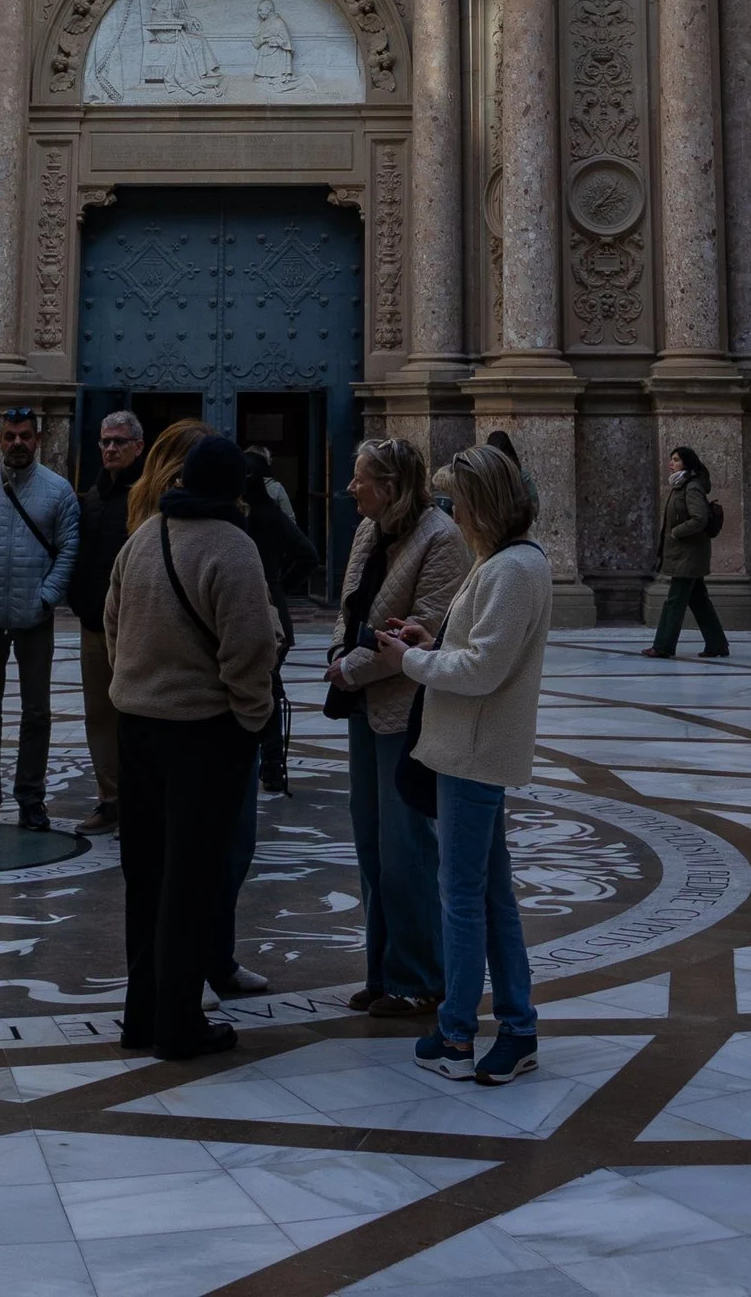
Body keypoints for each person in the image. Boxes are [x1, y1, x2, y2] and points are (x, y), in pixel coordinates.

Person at [101, 434, 278, 1062]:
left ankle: (139, 1017)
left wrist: (137, 684)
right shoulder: (234, 548)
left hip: (137, 729)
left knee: (145, 876)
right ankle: (178, 1025)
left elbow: (112, 623)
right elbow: (251, 648)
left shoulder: (143, 537)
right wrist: (250, 721)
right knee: (192, 879)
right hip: (204, 733)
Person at [387, 439, 551, 1088]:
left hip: (474, 752)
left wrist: (411, 662)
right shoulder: (506, 563)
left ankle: (458, 1033)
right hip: (473, 747)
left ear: (483, 505)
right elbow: (482, 646)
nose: (451, 514)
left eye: (457, 502)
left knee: (460, 897)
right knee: (489, 894)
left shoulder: (511, 569)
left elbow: (483, 669)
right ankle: (517, 1025)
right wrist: (434, 640)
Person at [328, 437, 466, 1019]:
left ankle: (420, 977)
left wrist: (349, 668)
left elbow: (423, 627)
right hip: (363, 704)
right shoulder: (368, 529)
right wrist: (343, 651)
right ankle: (382, 971)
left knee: (406, 843)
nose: (351, 487)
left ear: (390, 486)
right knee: (370, 841)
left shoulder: (441, 539)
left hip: (408, 706)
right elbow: (352, 607)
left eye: (361, 479)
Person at [0, 404, 78, 832]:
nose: (17, 442)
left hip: (34, 616)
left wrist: (47, 596)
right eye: (10, 436)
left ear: (37, 440)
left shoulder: (58, 491)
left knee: (36, 711)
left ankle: (31, 799)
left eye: (25, 435)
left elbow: (68, 550)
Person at [71, 407, 144, 824]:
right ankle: (110, 797)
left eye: (119, 441)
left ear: (138, 447)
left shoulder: (147, 496)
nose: (111, 448)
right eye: (106, 441)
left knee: (136, 712)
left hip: (135, 625)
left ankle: (139, 796)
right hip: (93, 621)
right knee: (98, 712)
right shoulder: (92, 496)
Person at [239, 451, 320, 795]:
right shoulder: (272, 515)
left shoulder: (233, 519)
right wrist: (281, 585)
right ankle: (273, 766)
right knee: (270, 688)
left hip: (241, 607)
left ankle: (243, 761)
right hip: (274, 612)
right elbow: (309, 554)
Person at [649, 446, 731, 661]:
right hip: (686, 553)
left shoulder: (692, 487)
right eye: (671, 459)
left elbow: (699, 518)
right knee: (699, 600)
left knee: (674, 601)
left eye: (675, 460)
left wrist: (676, 532)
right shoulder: (681, 485)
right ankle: (717, 644)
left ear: (686, 463)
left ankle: (663, 646)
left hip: (689, 555)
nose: (671, 463)